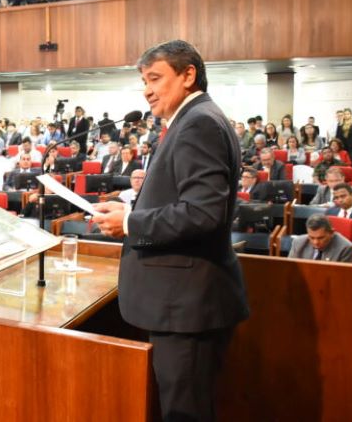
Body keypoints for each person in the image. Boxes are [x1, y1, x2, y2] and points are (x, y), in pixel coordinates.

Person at [91, 40, 248, 422]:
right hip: (182, 300)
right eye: (143, 80)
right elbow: (183, 200)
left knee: (185, 413)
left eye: (155, 78)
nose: (146, 89)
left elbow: (202, 212)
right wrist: (130, 209)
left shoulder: (199, 123)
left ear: (188, 75)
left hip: (186, 305)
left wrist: (130, 223)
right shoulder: (194, 119)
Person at [288, 214, 352, 262]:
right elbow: (290, 269)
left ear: (331, 233)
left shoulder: (345, 248)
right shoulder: (298, 242)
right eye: (312, 237)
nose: (315, 242)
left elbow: (343, 278)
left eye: (321, 238)